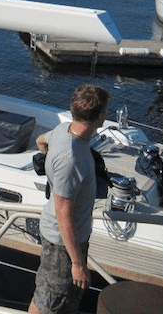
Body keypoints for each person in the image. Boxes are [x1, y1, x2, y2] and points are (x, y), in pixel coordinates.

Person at [28, 84, 109, 314]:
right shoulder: (71, 159)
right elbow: (64, 212)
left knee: (45, 295)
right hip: (63, 245)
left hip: (56, 236)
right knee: (56, 301)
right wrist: (77, 263)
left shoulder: (63, 130)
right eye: (106, 110)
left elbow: (41, 141)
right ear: (99, 116)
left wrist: (48, 164)